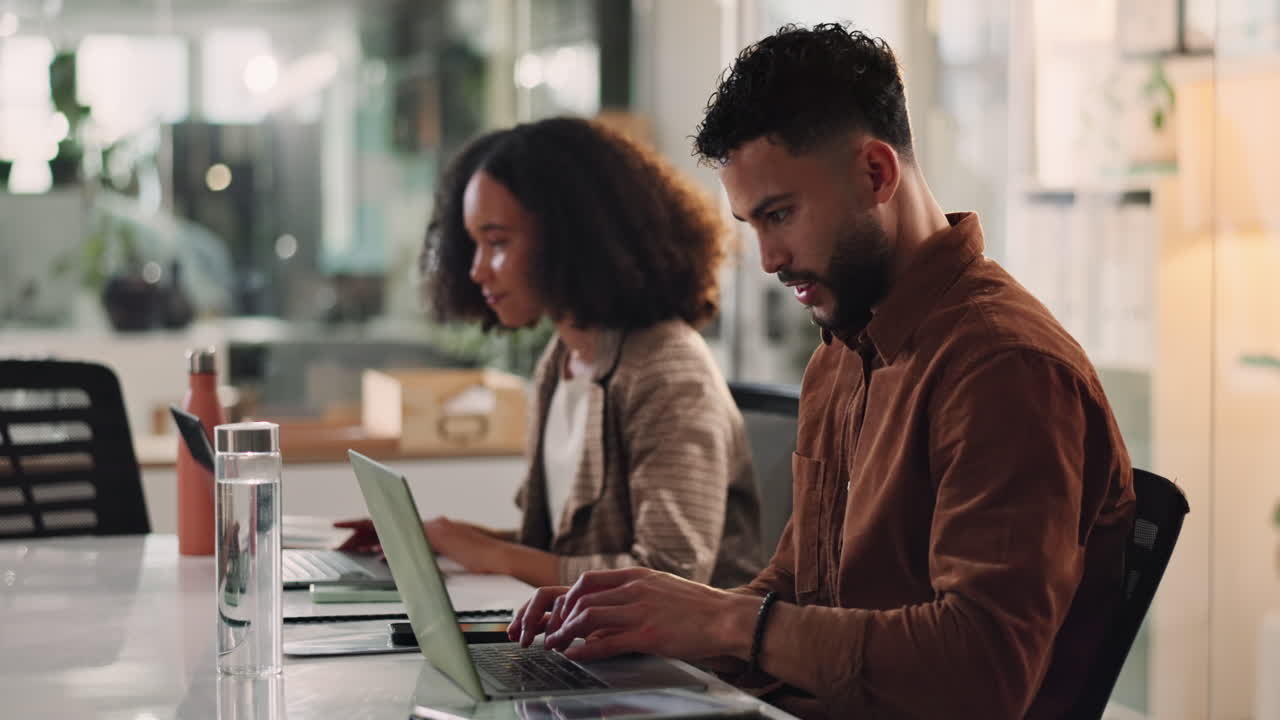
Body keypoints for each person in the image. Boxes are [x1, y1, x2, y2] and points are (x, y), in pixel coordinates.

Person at [507, 24, 1137, 719]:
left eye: (780, 215)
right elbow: (797, 585)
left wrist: (721, 624)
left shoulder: (1005, 368)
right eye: (751, 224)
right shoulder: (841, 354)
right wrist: (647, 620)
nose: (769, 258)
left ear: (876, 174)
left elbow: (981, 670)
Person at [338, 116, 763, 590]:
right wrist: (438, 538)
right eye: (473, 244)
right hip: (591, 645)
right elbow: (561, 552)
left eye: (497, 242)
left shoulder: (668, 371)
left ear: (572, 238)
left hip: (679, 662)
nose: (477, 270)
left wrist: (489, 552)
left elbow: (672, 575)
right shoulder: (561, 359)